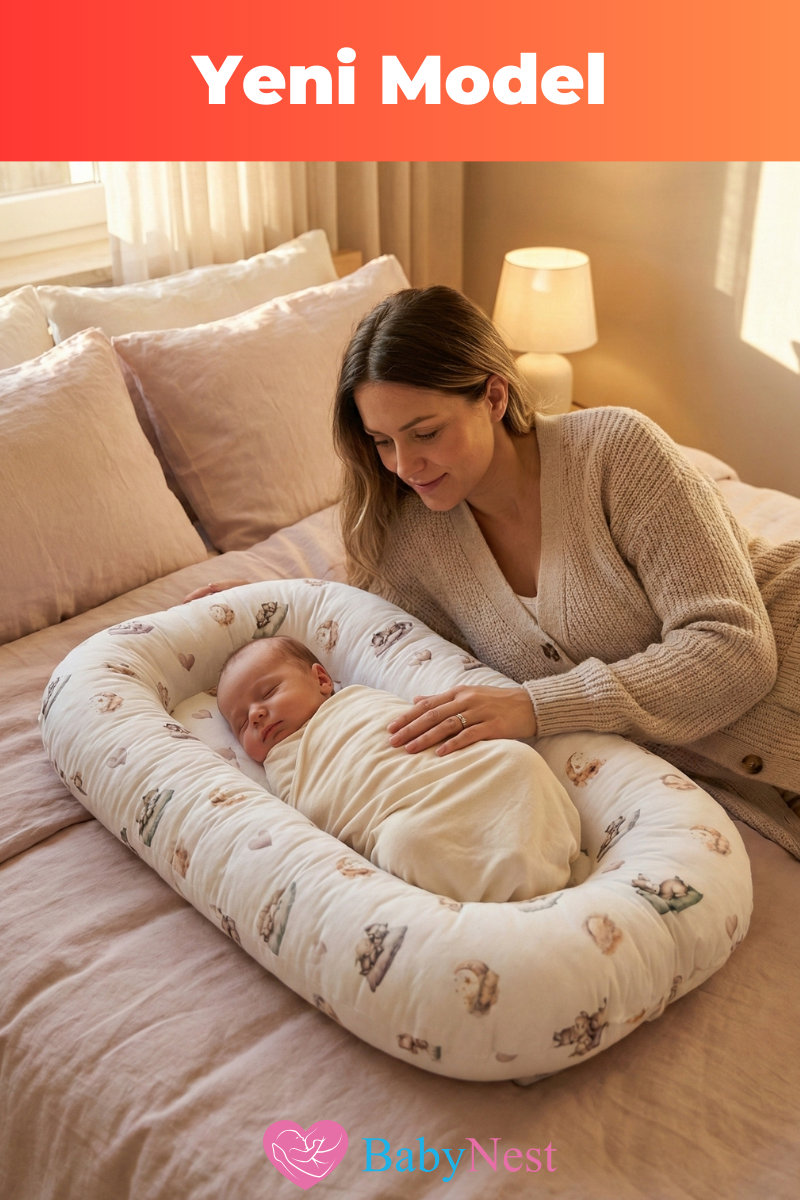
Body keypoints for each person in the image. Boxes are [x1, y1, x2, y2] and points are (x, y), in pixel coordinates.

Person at [189, 285, 800, 858]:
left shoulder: (614, 450)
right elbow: (372, 637)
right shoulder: (414, 542)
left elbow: (733, 650)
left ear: (495, 396)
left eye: (424, 432)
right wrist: (277, 601)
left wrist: (534, 706)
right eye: (381, 442)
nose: (405, 465)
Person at [215, 634, 581, 903]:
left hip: (454, 772)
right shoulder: (282, 767)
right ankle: (502, 896)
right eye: (241, 723)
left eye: (268, 692)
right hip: (404, 815)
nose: (256, 714)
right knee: (405, 844)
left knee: (515, 760)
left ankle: (544, 853)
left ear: (323, 681)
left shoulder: (357, 698)